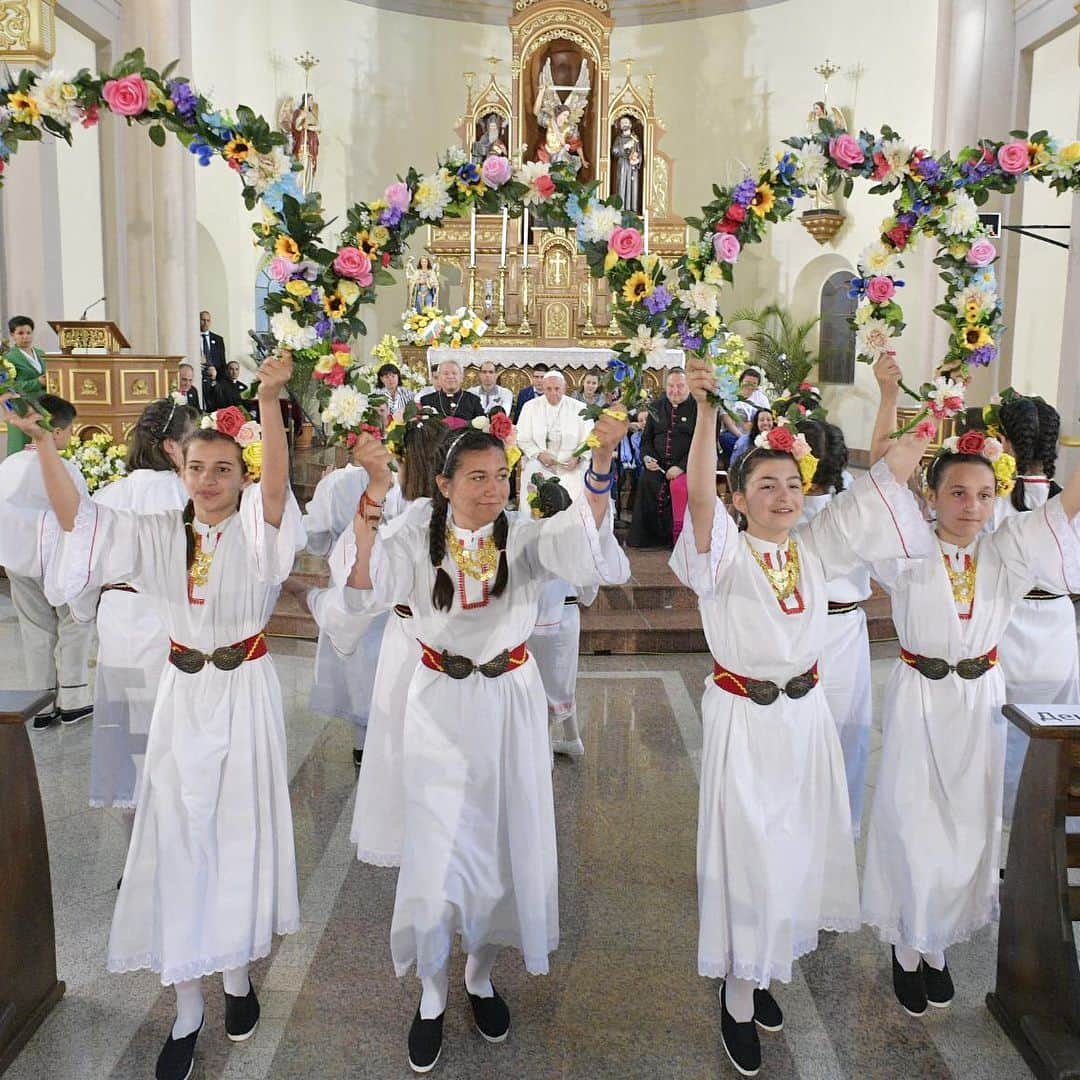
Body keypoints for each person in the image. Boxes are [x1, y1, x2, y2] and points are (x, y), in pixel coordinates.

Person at [7, 352, 305, 1080]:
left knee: (237, 837)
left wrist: (268, 399)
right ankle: (189, 1007)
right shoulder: (155, 534)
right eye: (198, 468)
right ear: (181, 470)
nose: (209, 481)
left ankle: (235, 980)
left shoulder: (260, 532)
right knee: (177, 841)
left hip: (245, 694)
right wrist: (44, 443)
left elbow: (275, 490)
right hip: (182, 698)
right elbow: (75, 519)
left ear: (240, 475)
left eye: (223, 470)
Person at [338, 408, 630, 1073]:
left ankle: (479, 975)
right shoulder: (416, 540)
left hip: (509, 706)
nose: (492, 488)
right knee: (440, 853)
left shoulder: (524, 538)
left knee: (503, 845)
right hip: (438, 706)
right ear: (443, 484)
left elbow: (585, 537)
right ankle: (434, 992)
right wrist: (374, 490)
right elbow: (365, 584)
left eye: (500, 475)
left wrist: (603, 465)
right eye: (476, 477)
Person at [674, 353, 933, 1077]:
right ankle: (735, 988)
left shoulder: (814, 548)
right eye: (766, 485)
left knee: (791, 850)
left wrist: (930, 402)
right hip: (744, 721)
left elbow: (889, 479)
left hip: (805, 718)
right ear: (741, 495)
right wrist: (702, 415)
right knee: (747, 851)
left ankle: (764, 967)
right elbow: (697, 500)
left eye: (791, 484)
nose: (783, 496)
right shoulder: (723, 555)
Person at [860, 386, 1080, 1020]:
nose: (971, 506)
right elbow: (881, 480)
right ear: (930, 497)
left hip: (980, 696)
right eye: (957, 492)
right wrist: (918, 416)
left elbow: (1065, 509)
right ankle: (906, 945)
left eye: (984, 495)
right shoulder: (907, 548)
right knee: (912, 817)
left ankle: (940, 943)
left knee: (968, 821)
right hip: (920, 696)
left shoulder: (1008, 550)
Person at [71, 399, 197, 839]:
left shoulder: (108, 496)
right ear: (170, 446)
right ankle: (175, 847)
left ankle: (134, 853)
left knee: (128, 738)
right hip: (171, 621)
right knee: (174, 735)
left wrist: (88, 612)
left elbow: (83, 572)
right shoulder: (191, 497)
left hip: (119, 618)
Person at [990, 394, 1080, 817]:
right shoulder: (1067, 505)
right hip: (1059, 625)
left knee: (1000, 727)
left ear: (1005, 441)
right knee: (1055, 724)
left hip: (1005, 620)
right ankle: (1043, 816)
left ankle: (1001, 815)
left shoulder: (988, 502)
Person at [798, 419, 873, 838]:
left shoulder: (843, 506)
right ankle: (839, 821)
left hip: (817, 626)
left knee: (830, 727)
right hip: (832, 626)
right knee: (842, 728)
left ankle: (827, 820)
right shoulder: (852, 507)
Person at [0, 393, 93, 729]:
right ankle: (74, 697)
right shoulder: (64, 468)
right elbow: (81, 518)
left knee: (35, 629)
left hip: (16, 561)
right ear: (55, 431)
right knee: (75, 622)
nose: (69, 437)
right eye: (69, 430)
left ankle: (40, 704)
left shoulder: (8, 465)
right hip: (60, 561)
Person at [300, 438, 390, 766]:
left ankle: (363, 743)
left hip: (351, 576)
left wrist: (334, 549)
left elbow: (314, 537)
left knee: (359, 664)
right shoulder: (404, 478)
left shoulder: (335, 482)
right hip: (393, 592)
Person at [526, 477, 598, 759]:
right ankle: (571, 737)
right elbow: (589, 587)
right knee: (563, 677)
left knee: (542, 681)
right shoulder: (578, 537)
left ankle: (544, 751)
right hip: (569, 614)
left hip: (539, 616)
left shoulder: (532, 535)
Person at [628, 369, 697, 549]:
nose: (674, 390)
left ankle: (673, 540)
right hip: (657, 467)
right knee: (646, 480)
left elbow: (703, 445)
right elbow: (646, 440)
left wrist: (681, 467)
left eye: (680, 386)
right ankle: (646, 539)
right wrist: (647, 458)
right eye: (671, 386)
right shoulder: (656, 407)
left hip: (687, 467)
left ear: (688, 386)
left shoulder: (698, 409)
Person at [516, 371, 593, 507]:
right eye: (548, 389)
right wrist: (538, 454)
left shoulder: (580, 408)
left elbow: (589, 440)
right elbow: (522, 437)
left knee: (580, 474)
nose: (553, 393)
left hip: (571, 463)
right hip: (541, 461)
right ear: (543, 388)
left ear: (564, 388)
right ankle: (535, 521)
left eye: (557, 389)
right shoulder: (530, 406)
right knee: (532, 469)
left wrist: (578, 458)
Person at [4, 315, 48, 454]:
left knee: (40, 447)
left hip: (43, 406)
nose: (25, 337)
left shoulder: (41, 354)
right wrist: (37, 382)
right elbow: (10, 386)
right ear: (12, 335)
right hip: (22, 407)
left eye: (28, 333)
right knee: (21, 445)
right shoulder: (9, 357)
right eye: (20, 333)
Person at [718, 368, 769, 461]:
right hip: (734, 434)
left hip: (754, 435)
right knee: (726, 438)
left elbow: (766, 419)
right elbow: (728, 422)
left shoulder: (761, 399)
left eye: (754, 384)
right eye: (747, 382)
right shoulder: (729, 394)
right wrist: (742, 438)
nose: (750, 386)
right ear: (741, 381)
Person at [419, 359, 483, 424]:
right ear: (439, 378)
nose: (450, 376)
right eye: (445, 373)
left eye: (454, 373)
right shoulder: (426, 400)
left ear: (461, 378)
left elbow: (481, 425)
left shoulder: (474, 400)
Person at [198, 310, 225, 374]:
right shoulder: (193, 338)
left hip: (216, 376)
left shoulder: (218, 339)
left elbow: (222, 362)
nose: (205, 323)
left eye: (208, 320)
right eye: (203, 320)